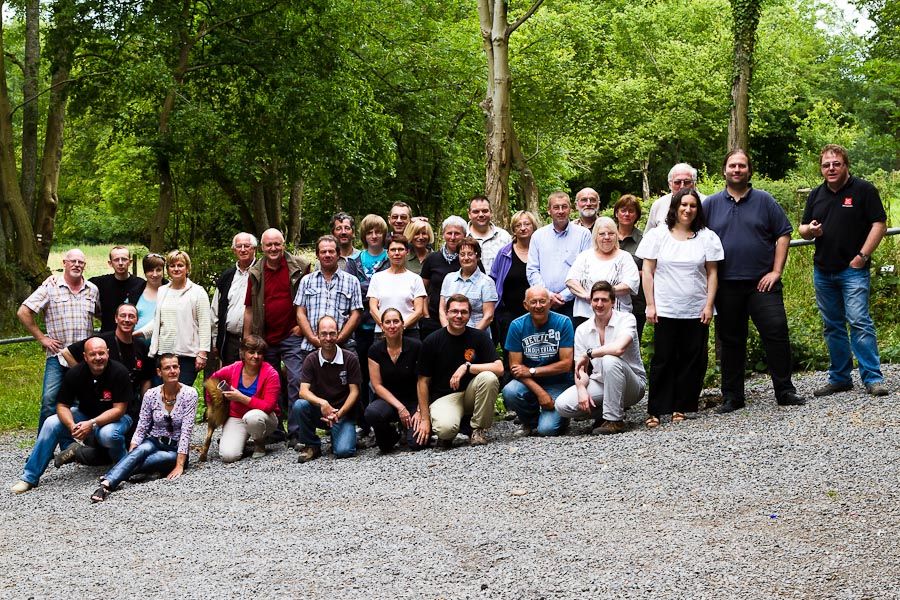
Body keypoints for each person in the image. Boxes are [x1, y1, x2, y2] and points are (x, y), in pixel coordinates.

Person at [704, 149, 806, 412]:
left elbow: (783, 234)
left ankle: (784, 391)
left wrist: (776, 271)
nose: (737, 170)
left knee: (776, 333)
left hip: (763, 284)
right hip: (726, 284)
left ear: (749, 171)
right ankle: (732, 397)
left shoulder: (765, 201)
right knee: (731, 341)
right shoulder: (711, 205)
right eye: (732, 166)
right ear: (724, 171)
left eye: (742, 166)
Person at [799, 144, 890, 397]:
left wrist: (862, 256)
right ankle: (840, 378)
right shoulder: (817, 194)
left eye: (836, 164)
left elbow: (879, 224)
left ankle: (873, 377)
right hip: (823, 270)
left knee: (859, 322)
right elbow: (802, 229)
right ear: (821, 168)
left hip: (853, 270)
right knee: (832, 326)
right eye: (826, 165)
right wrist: (811, 231)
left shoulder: (864, 190)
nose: (831, 168)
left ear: (846, 165)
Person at [636, 188, 723, 427]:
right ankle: (656, 409)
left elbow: (712, 273)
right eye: (683, 205)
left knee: (692, 358)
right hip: (665, 307)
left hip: (696, 308)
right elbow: (648, 271)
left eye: (693, 206)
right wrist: (651, 304)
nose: (687, 209)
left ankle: (682, 406)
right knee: (663, 358)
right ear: (674, 207)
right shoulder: (657, 235)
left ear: (698, 209)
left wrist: (709, 305)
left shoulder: (707, 237)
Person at [11, 338, 132, 494]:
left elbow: (119, 410)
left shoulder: (119, 372)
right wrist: (71, 426)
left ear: (108, 353)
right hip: (86, 415)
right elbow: (62, 406)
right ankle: (29, 477)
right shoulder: (75, 373)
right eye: (93, 354)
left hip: (117, 418)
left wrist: (92, 423)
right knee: (51, 422)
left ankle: (122, 467)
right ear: (85, 356)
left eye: (101, 353)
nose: (97, 358)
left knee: (108, 434)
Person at [90, 354, 199, 502]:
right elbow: (142, 426)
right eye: (167, 368)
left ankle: (114, 474)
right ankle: (105, 486)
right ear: (159, 372)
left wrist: (180, 465)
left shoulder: (190, 394)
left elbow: (186, 432)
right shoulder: (151, 394)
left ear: (179, 369)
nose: (172, 371)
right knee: (140, 451)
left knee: (155, 459)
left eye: (175, 367)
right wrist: (132, 454)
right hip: (153, 441)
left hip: (174, 448)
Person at [17, 248, 100, 431]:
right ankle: (43, 443)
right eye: (73, 261)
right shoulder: (50, 287)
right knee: (49, 400)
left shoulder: (92, 290)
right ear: (64, 263)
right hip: (58, 354)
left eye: (81, 262)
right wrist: (42, 338)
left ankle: (75, 446)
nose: (77, 265)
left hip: (83, 358)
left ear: (85, 266)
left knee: (80, 402)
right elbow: (24, 312)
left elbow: (102, 315)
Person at [294, 235, 364, 444]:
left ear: (338, 254)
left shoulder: (351, 281)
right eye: (323, 251)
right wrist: (315, 339)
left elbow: (356, 313)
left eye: (331, 251)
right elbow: (300, 312)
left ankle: (345, 426)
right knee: (307, 396)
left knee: (347, 387)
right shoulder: (306, 281)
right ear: (317, 254)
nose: (327, 255)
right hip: (311, 346)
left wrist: (339, 338)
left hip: (344, 345)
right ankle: (309, 441)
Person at [62, 303, 154, 457]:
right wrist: (86, 375)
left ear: (137, 320)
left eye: (131, 316)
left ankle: (80, 453)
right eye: (123, 315)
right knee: (106, 435)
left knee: (119, 441)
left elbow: (146, 379)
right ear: (116, 319)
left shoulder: (141, 347)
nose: (127, 319)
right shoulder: (102, 342)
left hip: (127, 407)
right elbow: (66, 352)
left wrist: (146, 406)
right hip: (101, 404)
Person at [555, 282, 646, 435]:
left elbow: (619, 348)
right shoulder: (582, 329)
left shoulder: (626, 319)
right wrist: (581, 389)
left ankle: (614, 420)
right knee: (562, 405)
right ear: (590, 302)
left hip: (632, 384)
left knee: (609, 359)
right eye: (595, 300)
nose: (599, 304)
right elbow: (580, 370)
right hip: (601, 382)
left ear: (613, 302)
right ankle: (604, 414)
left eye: (604, 300)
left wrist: (589, 353)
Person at [244, 228, 311, 431]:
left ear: (284, 244)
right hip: (265, 337)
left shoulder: (300, 267)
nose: (273, 248)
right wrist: (247, 337)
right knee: (269, 384)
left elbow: (311, 299)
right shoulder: (255, 272)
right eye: (269, 245)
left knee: (296, 380)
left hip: (292, 335)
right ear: (262, 248)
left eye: (277, 244)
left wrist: (303, 325)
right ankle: (275, 430)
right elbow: (248, 307)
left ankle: (296, 430)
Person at [415, 294, 503, 448]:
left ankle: (477, 429)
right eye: (454, 311)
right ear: (447, 313)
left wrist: (467, 367)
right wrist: (424, 418)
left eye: (464, 312)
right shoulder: (432, 341)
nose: (459, 316)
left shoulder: (479, 337)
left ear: (469, 315)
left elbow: (499, 368)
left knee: (489, 377)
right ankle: (451, 428)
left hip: (471, 394)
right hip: (444, 397)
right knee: (445, 430)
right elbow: (422, 382)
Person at [501, 286, 575, 437]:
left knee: (547, 430)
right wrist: (540, 392)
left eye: (542, 301)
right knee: (510, 391)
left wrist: (532, 371)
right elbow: (516, 368)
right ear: (525, 305)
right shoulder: (517, 326)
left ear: (549, 303)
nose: (538, 306)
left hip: (559, 382)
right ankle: (529, 422)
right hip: (529, 382)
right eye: (533, 302)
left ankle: (561, 417)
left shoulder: (563, 322)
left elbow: (566, 364)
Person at [293, 316, 363, 463]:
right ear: (317, 335)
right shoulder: (311, 359)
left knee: (344, 451)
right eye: (324, 334)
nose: (328, 338)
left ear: (338, 334)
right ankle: (311, 444)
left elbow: (355, 392)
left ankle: (343, 435)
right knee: (300, 405)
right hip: (320, 412)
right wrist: (323, 403)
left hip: (343, 413)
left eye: (332, 333)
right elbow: (303, 391)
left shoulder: (350, 358)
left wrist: (339, 413)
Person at [140, 249, 211, 386]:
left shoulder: (197, 292)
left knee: (180, 395)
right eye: (172, 266)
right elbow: (158, 321)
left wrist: (202, 353)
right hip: (163, 354)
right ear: (168, 269)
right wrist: (138, 333)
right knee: (163, 395)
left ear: (187, 268)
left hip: (187, 355)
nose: (176, 269)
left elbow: (204, 324)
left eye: (180, 265)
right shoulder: (162, 291)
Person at [208, 335, 280, 462]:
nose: (256, 356)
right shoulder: (233, 368)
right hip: (236, 416)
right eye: (251, 352)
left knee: (252, 418)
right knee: (228, 456)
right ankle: (242, 441)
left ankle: (259, 443)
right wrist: (212, 406)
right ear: (243, 353)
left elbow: (268, 406)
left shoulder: (271, 373)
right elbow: (211, 381)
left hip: (263, 418)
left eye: (259, 353)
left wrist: (241, 398)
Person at [365, 308, 427, 452]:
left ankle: (409, 430)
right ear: (382, 326)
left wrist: (420, 410)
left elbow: (423, 381)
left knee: (416, 444)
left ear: (402, 324)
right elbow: (377, 385)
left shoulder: (416, 346)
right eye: (388, 322)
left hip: (414, 400)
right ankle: (393, 434)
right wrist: (400, 408)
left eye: (396, 321)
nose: (392, 326)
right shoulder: (374, 350)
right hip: (388, 401)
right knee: (373, 415)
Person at [527, 191, 592, 321]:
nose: (561, 211)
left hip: (574, 303)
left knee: (571, 341)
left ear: (571, 209)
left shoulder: (584, 235)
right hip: (543, 304)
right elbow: (532, 270)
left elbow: (587, 271)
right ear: (549, 211)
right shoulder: (538, 236)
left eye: (564, 207)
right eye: (556, 207)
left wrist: (563, 296)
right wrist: (547, 295)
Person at [566, 216, 639, 329]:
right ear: (595, 236)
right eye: (602, 234)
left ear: (616, 236)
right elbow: (571, 281)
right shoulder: (584, 256)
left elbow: (630, 284)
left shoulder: (625, 257)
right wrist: (587, 296)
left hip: (617, 317)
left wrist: (601, 294)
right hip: (585, 316)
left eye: (611, 233)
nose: (606, 237)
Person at [490, 210, 540, 352]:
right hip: (509, 315)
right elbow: (493, 279)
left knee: (535, 352)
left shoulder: (541, 251)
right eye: (518, 225)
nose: (523, 228)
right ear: (513, 229)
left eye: (526, 224)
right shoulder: (504, 253)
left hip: (537, 312)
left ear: (533, 227)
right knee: (511, 354)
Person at [211, 232, 258, 369]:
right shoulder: (227, 277)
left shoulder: (262, 273)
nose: (243, 249)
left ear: (254, 249)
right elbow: (215, 311)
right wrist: (216, 341)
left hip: (256, 341)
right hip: (229, 341)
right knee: (229, 380)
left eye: (247, 246)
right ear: (234, 250)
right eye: (239, 246)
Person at [419, 215, 469, 341]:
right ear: (443, 234)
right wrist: (426, 316)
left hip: (463, 319)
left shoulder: (469, 260)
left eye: (457, 233)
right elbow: (421, 290)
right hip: (434, 320)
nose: (452, 237)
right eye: (449, 233)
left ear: (464, 235)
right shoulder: (432, 258)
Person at [368, 235, 427, 337]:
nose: (397, 253)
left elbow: (419, 311)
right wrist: (386, 327)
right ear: (387, 253)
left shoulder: (415, 279)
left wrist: (400, 327)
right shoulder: (377, 278)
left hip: (409, 332)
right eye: (393, 250)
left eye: (400, 249)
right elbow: (373, 308)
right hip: (382, 333)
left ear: (407, 252)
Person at [439, 236, 498, 337]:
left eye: (470, 254)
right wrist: (447, 332)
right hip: (450, 336)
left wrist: (469, 337)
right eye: (462, 254)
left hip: (477, 337)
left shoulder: (487, 282)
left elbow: (488, 316)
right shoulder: (449, 278)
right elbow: (442, 309)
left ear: (477, 256)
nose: (466, 258)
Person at [89, 245, 146, 333]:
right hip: (107, 336)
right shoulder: (98, 283)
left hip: (133, 337)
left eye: (124, 259)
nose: (120, 263)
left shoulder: (140, 284)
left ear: (130, 262)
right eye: (116, 260)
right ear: (110, 263)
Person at [614, 194, 647, 339]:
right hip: (608, 301)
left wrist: (631, 275)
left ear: (637, 215)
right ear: (616, 213)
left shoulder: (644, 240)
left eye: (631, 211)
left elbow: (650, 270)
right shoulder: (606, 236)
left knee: (632, 341)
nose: (627, 214)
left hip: (636, 301)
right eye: (623, 210)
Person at [645, 163, 707, 231]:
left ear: (695, 183)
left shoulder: (706, 203)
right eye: (677, 182)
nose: (682, 186)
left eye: (687, 182)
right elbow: (648, 236)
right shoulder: (659, 205)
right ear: (670, 184)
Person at [466, 195, 511, 272]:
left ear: (491, 212)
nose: (481, 215)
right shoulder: (461, 236)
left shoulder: (504, 237)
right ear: (469, 214)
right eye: (476, 211)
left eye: (485, 211)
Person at [135, 253, 167, 347]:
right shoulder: (135, 292)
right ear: (145, 272)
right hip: (139, 348)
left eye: (158, 270)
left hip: (165, 349)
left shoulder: (171, 292)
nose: (154, 274)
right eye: (150, 270)